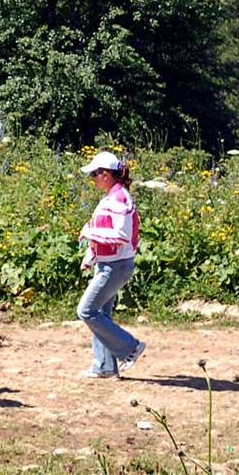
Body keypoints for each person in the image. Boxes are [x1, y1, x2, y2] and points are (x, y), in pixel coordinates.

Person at [76, 150, 145, 379]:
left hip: (116, 266)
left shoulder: (119, 198)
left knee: (87, 311)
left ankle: (130, 347)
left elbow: (121, 235)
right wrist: (91, 256)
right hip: (110, 264)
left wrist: (89, 233)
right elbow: (106, 230)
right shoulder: (112, 196)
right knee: (100, 314)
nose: (92, 179)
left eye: (94, 174)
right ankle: (104, 366)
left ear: (106, 175)